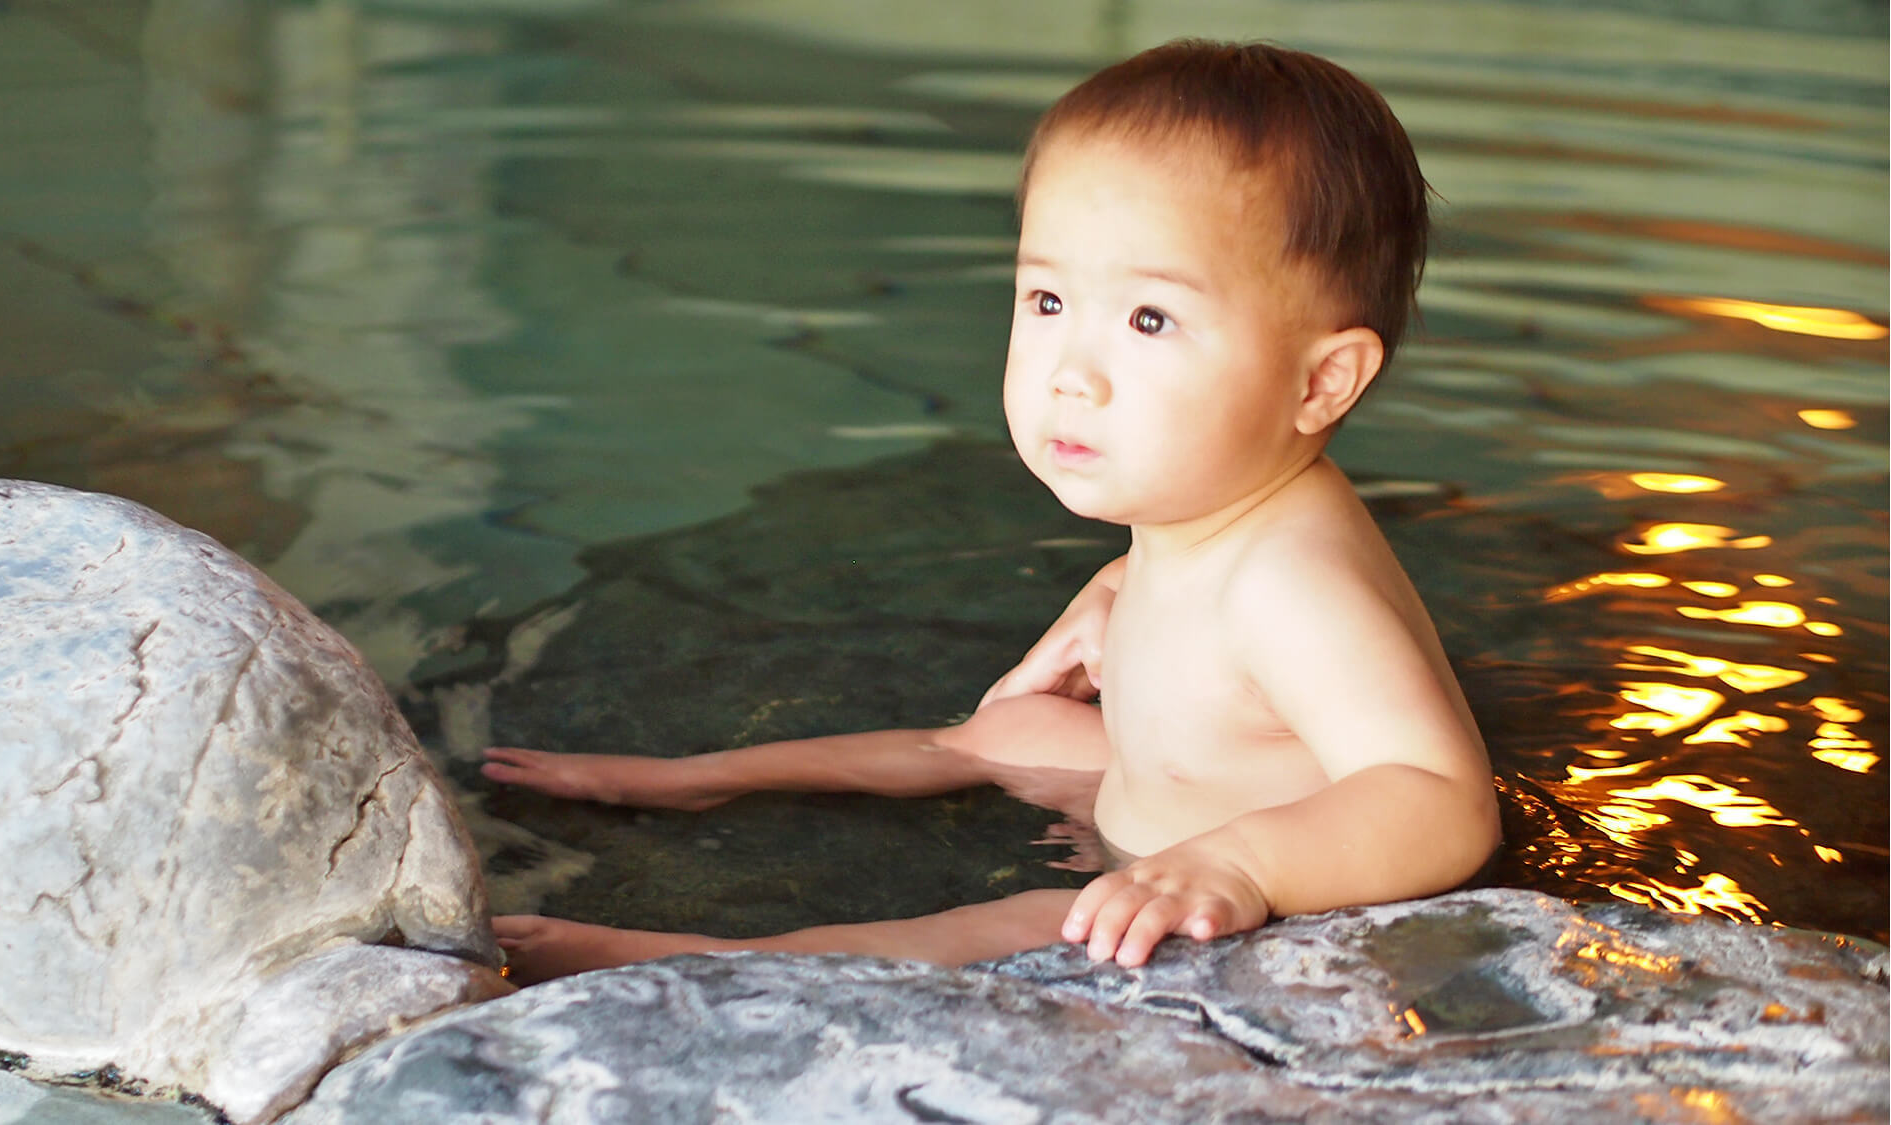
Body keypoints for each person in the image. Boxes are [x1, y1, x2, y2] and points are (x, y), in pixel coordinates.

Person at [481, 38, 1501, 981]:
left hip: (1245, 911)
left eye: (1149, 318)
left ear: (1319, 384)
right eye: (1047, 302)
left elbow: (1436, 799)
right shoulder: (1218, 519)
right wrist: (1112, 593)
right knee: (1012, 725)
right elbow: (1203, 593)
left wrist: (1235, 868)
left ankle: (702, 964)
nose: (1071, 373)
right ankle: (691, 780)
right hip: (1148, 812)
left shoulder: (1292, 582)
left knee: (1021, 926)